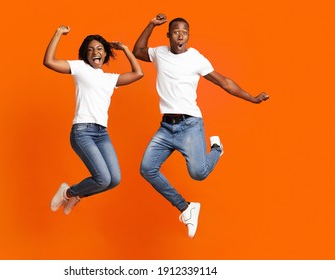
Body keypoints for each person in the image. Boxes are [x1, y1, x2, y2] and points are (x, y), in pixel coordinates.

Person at [133, 14, 269, 238]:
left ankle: (217, 150)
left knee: (198, 173)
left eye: (184, 32)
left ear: (188, 36)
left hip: (189, 125)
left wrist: (252, 98)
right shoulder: (159, 53)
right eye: (176, 31)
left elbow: (224, 82)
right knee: (147, 169)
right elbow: (138, 50)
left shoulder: (196, 58)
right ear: (169, 35)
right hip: (166, 127)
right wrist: (151, 24)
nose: (180, 35)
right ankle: (186, 208)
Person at [44, 26, 143, 215]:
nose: (95, 52)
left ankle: (77, 195)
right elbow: (49, 61)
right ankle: (67, 192)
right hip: (82, 132)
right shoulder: (80, 68)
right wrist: (57, 33)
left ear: (105, 54)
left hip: (101, 134)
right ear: (85, 55)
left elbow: (138, 74)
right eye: (90, 49)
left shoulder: (110, 79)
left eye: (99, 49)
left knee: (114, 179)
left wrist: (125, 50)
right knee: (103, 179)